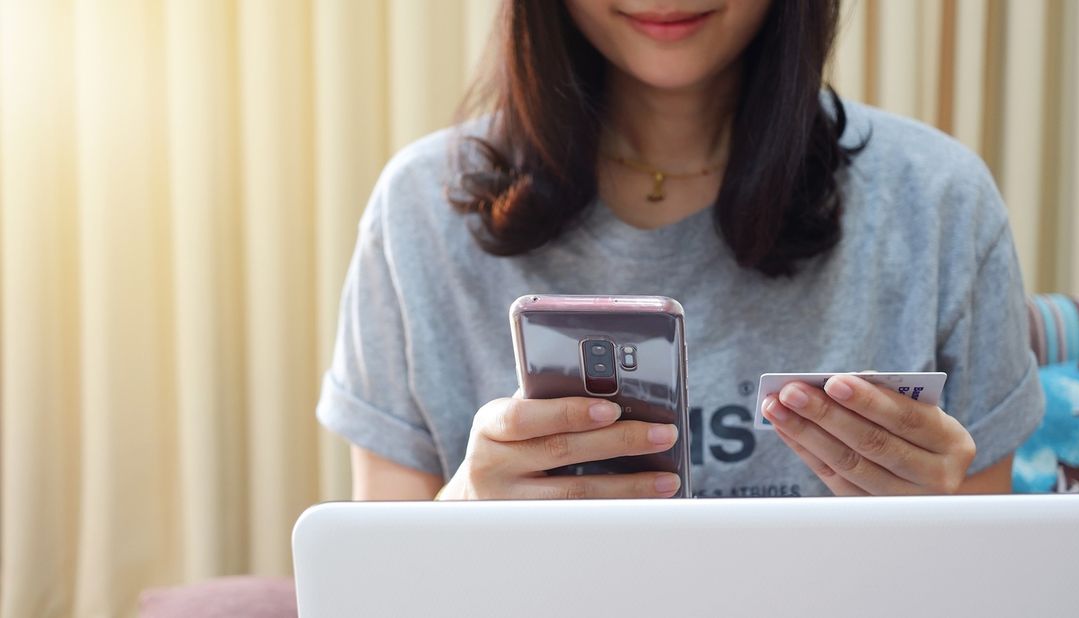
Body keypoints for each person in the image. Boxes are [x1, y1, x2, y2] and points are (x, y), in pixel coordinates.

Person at [317, 0, 1042, 500]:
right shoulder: (419, 210)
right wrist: (464, 513)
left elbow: (996, 584)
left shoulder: (938, 203)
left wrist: (951, 526)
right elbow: (379, 585)